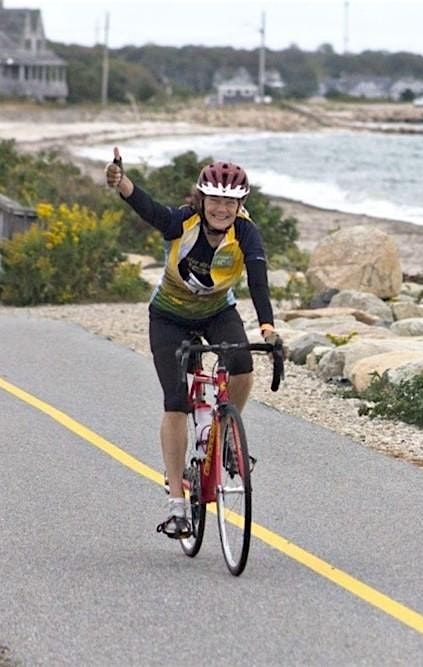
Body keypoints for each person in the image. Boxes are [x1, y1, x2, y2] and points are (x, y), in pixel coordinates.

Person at [105, 147, 280, 538]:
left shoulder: (246, 232)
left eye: (231, 202)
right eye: (215, 200)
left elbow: (258, 279)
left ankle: (229, 436)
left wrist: (268, 327)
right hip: (169, 316)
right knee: (176, 401)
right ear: (202, 199)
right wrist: (122, 183)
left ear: (240, 204)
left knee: (242, 364)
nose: (222, 208)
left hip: (217, 311)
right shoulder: (183, 223)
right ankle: (176, 504)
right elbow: (151, 210)